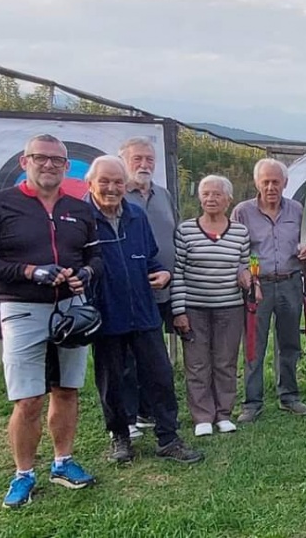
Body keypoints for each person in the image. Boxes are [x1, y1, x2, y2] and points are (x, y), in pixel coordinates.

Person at [0, 134, 101, 507]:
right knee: (28, 399)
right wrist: (28, 271)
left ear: (66, 166)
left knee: (68, 390)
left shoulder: (79, 208)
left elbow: (96, 259)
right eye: (41, 158)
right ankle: (23, 473)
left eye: (58, 160)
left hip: (72, 308)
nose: (49, 166)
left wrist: (85, 275)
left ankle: (63, 462)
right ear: (25, 162)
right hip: (23, 309)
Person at [84, 156, 203, 464]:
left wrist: (163, 273)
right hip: (106, 311)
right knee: (111, 379)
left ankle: (168, 437)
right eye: (104, 181)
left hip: (144, 310)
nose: (112, 188)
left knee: (160, 375)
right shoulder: (81, 219)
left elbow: (151, 259)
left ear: (126, 185)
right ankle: (120, 437)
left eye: (118, 182)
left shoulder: (136, 216)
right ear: (90, 183)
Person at [232, 158, 306, 422]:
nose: (270, 187)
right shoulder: (242, 212)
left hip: (290, 282)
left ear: (285, 184)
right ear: (257, 183)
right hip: (258, 286)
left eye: (275, 182)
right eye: (265, 181)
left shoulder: (297, 210)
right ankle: (252, 402)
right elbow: (236, 250)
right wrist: (246, 276)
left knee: (289, 343)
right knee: (254, 345)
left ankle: (289, 396)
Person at [172, 175, 250, 436]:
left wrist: (246, 274)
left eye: (217, 194)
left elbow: (244, 263)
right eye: (206, 194)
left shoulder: (240, 231)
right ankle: (202, 416)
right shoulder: (186, 230)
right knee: (196, 363)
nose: (211, 199)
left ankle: (224, 413)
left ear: (229, 199)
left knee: (226, 361)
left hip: (230, 307)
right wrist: (179, 310)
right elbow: (178, 271)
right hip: (194, 308)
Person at [120, 137, 177, 436]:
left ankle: (146, 411)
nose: (144, 165)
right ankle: (127, 419)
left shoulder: (163, 194)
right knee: (126, 359)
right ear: (123, 161)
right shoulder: (115, 193)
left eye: (149, 159)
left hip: (162, 287)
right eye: (137, 159)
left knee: (152, 356)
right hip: (129, 293)